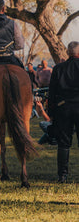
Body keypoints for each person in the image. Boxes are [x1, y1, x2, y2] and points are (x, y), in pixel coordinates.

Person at [47, 41, 79, 183]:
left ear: (67, 52)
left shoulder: (58, 68)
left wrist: (51, 113)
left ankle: (62, 175)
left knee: (64, 143)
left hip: (63, 108)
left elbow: (52, 92)